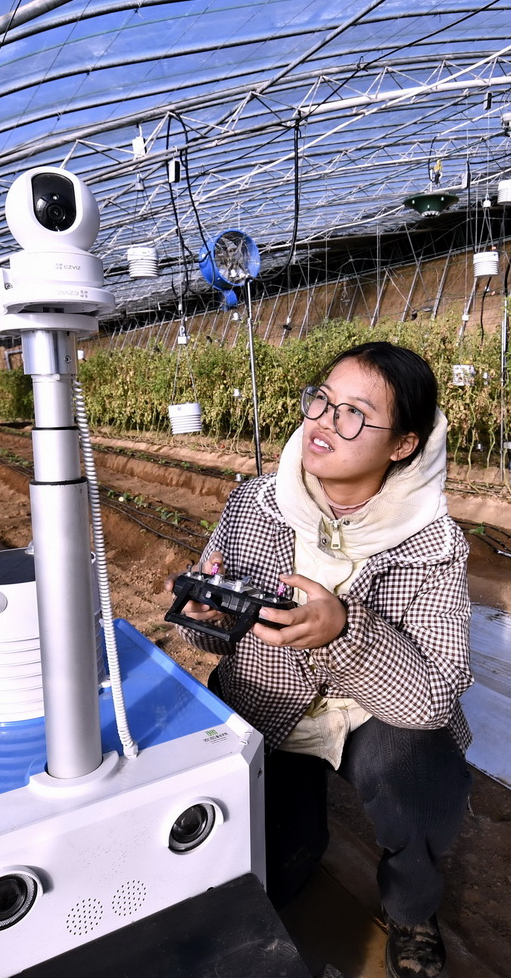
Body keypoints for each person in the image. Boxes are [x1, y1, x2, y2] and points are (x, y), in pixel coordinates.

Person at [166, 341, 473, 978]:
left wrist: (341, 632)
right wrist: (207, 620)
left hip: (373, 714)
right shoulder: (257, 503)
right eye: (322, 401)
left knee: (414, 765)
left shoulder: (435, 542)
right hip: (268, 701)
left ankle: (413, 907)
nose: (324, 422)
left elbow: (437, 694)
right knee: (280, 868)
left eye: (354, 413)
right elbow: (219, 638)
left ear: (403, 445)